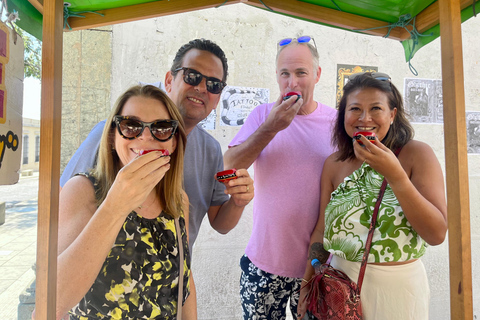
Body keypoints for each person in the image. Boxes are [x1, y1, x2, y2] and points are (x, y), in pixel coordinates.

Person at [59, 39, 254, 251]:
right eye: (192, 76)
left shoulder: (210, 152)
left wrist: (238, 201)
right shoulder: (113, 135)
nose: (201, 88)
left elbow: (218, 226)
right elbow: (62, 208)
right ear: (169, 80)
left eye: (214, 85)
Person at [297, 72, 448, 320]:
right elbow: (321, 231)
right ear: (343, 116)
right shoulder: (334, 163)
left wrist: (396, 176)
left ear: (392, 114)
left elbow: (437, 234)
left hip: (398, 293)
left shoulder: (416, 154)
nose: (364, 118)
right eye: (354, 109)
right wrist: (307, 284)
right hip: (338, 290)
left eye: (376, 108)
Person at [55, 85, 194, 319]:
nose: (146, 137)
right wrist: (116, 205)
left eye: (161, 128)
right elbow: (55, 297)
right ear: (112, 137)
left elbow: (185, 281)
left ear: (173, 142)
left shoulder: (177, 200)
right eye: (131, 126)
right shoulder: (82, 191)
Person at [224, 36, 337, 319]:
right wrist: (270, 128)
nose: (292, 83)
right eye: (285, 74)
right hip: (263, 264)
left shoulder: (337, 123)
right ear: (277, 76)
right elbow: (227, 167)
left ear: (317, 75)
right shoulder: (262, 115)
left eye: (301, 73)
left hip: (319, 265)